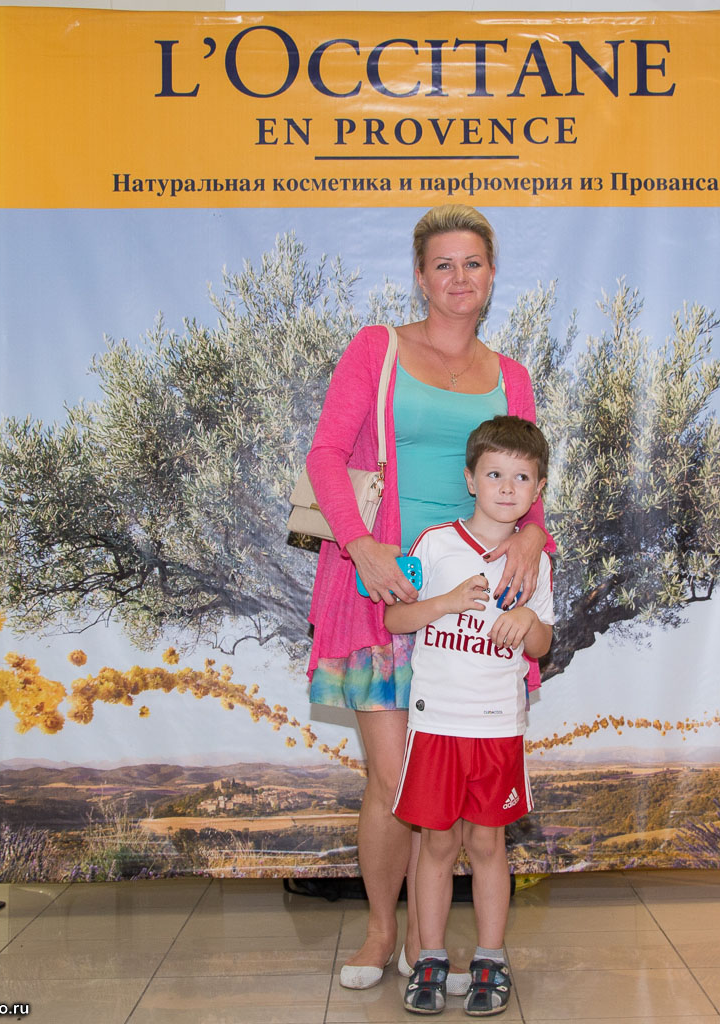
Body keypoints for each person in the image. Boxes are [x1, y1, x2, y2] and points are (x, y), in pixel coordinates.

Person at [305, 205, 553, 991]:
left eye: (472, 263)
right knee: (395, 781)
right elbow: (325, 455)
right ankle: (383, 932)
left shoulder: (512, 376)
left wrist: (531, 538)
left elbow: (528, 478)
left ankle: (429, 942)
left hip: (474, 611)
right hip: (384, 591)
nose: (458, 277)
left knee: (444, 789)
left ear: (492, 276)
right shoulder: (377, 349)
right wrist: (362, 545)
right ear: (419, 276)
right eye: (442, 264)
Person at [384, 415, 554, 1016]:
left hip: (496, 728)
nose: (507, 487)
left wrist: (527, 622)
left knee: (487, 844)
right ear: (470, 479)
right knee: (436, 845)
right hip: (435, 725)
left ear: (537, 489)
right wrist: (446, 603)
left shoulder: (534, 563)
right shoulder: (434, 544)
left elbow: (542, 643)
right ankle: (430, 958)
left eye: (522, 477)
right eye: (495, 474)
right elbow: (395, 619)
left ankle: (490, 958)